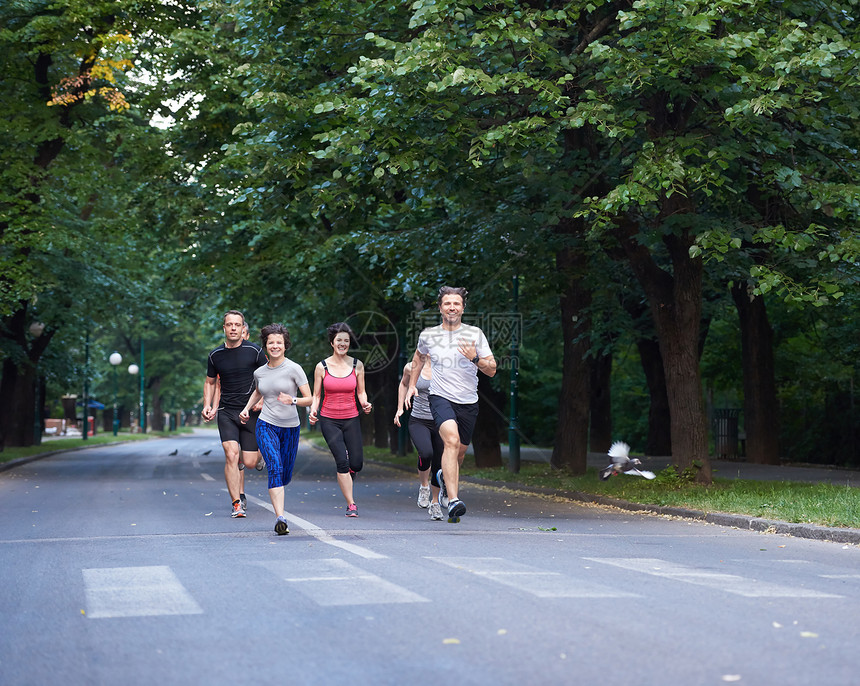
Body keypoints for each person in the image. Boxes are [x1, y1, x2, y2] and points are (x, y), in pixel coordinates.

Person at [406, 286, 496, 522]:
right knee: (452, 441)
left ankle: (443, 476)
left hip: (468, 401)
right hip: (440, 397)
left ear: (463, 308)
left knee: (459, 454)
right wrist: (412, 385)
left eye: (456, 303)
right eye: (447, 303)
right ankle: (454, 499)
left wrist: (474, 358)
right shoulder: (428, 335)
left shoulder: (475, 334)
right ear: (440, 308)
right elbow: (417, 358)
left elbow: (492, 369)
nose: (452, 307)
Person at [239, 323, 311, 535]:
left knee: (285, 474)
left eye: (279, 342)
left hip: (290, 428)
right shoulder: (259, 372)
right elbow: (259, 392)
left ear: (285, 345)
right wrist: (246, 408)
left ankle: (279, 497)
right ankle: (280, 517)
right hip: (266, 424)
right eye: (271, 343)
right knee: (276, 468)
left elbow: (311, 398)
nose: (275, 346)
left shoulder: (294, 368)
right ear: (266, 346)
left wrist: (293, 400)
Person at [202, 310, 267, 518]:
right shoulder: (215, 355)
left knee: (248, 462)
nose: (233, 328)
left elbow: (268, 377)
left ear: (242, 328)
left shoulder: (255, 352)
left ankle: (258, 459)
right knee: (231, 455)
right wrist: (207, 405)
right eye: (229, 324)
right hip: (227, 411)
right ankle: (236, 503)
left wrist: (263, 401)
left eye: (237, 325)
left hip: (250, 412)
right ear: (224, 328)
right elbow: (210, 382)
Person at [308, 322, 372, 517]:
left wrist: (365, 404)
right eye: (339, 340)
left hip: (351, 418)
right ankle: (351, 504)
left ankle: (349, 477)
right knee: (342, 462)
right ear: (332, 343)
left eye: (346, 340)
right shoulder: (322, 366)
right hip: (329, 419)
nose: (343, 343)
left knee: (357, 463)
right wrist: (313, 411)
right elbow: (316, 395)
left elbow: (361, 392)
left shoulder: (357, 365)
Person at [394, 357, 445, 521]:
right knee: (426, 452)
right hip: (418, 420)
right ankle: (424, 487)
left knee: (438, 462)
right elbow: (403, 384)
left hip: (441, 421)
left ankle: (435, 503)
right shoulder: (411, 367)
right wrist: (399, 409)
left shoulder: (446, 368)